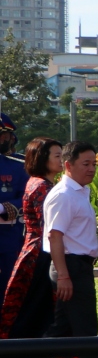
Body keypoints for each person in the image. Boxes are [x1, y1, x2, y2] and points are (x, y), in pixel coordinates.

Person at [10, 141, 98, 358]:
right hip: (69, 265)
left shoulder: (78, 191)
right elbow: (54, 237)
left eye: (94, 164)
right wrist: (63, 274)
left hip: (77, 265)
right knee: (86, 329)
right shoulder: (63, 194)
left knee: (60, 329)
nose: (92, 169)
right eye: (85, 164)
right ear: (68, 165)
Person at [0, 137, 62, 358]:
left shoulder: (42, 184)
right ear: (42, 159)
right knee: (35, 314)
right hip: (41, 254)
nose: (61, 159)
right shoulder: (42, 188)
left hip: (38, 251)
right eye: (56, 155)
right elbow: (52, 227)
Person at [0, 114, 27, 300]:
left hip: (9, 234)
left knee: (10, 289)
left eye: (3, 135)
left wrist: (3, 208)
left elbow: (30, 197)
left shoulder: (21, 165)